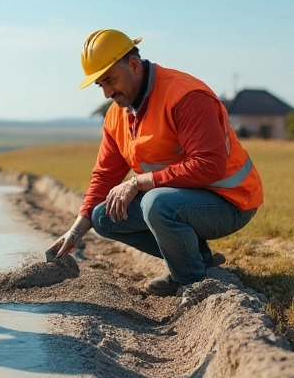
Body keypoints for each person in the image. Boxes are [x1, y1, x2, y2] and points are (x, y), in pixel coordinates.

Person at [45, 29, 263, 296]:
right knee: (104, 217)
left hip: (229, 201)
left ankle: (194, 285)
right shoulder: (117, 116)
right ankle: (199, 261)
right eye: (100, 84)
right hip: (180, 199)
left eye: (110, 80)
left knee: (156, 203)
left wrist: (138, 183)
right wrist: (77, 229)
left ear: (134, 65)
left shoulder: (185, 96)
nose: (107, 93)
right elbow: (104, 175)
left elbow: (209, 165)